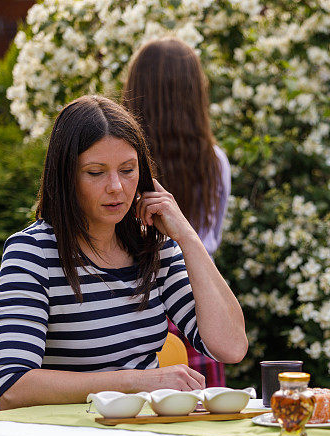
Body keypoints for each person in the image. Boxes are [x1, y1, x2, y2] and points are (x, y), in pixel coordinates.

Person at [0, 95, 247, 411]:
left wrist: (187, 237)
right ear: (66, 176)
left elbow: (231, 347)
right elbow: (12, 387)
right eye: (96, 172)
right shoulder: (33, 254)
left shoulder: (152, 247)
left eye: (127, 170)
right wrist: (131, 382)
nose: (116, 187)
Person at [122, 37, 232, 387]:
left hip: (137, 308)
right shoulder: (214, 162)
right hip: (194, 307)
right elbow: (210, 241)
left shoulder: (124, 165)